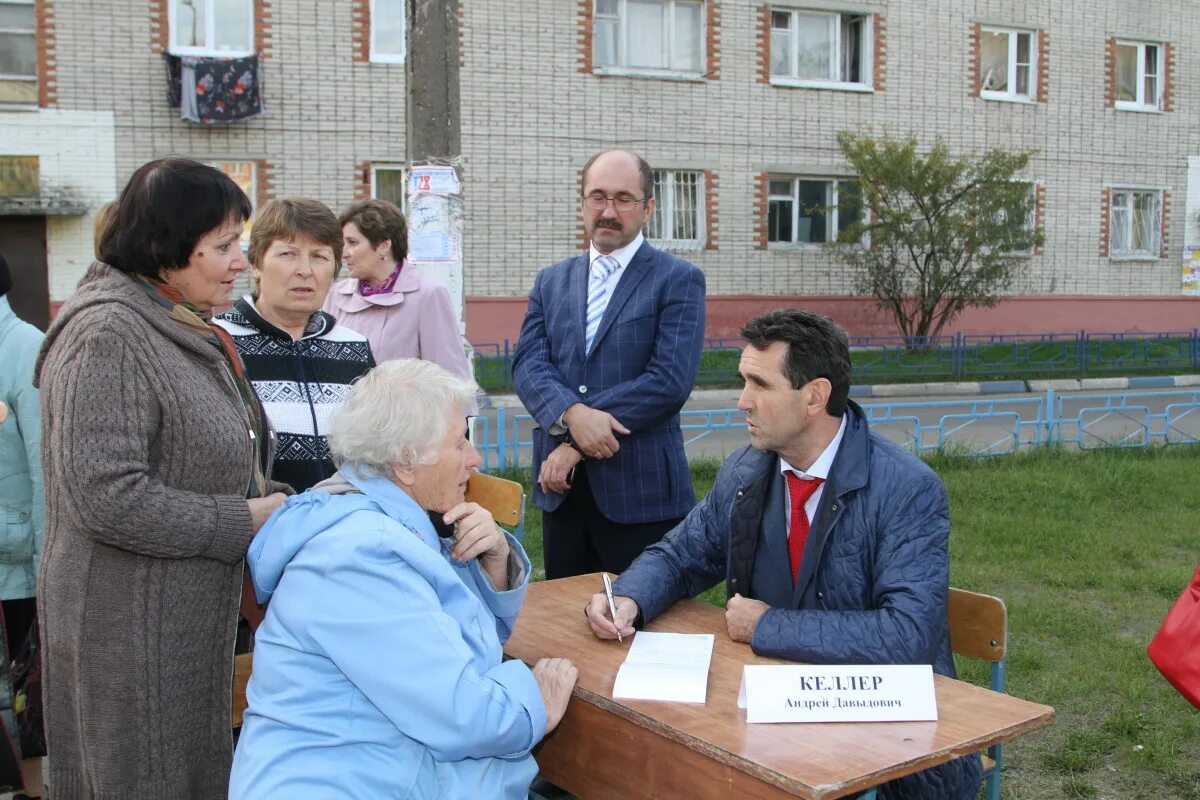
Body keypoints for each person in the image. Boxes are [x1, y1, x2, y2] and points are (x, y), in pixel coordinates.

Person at [586, 309, 983, 800]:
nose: (742, 402)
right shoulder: (748, 469)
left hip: (892, 751)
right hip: (770, 721)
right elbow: (682, 554)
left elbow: (909, 634)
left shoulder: (908, 490)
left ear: (815, 396)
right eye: (743, 382)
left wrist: (766, 625)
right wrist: (630, 596)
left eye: (760, 385)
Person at [34, 158, 291, 799]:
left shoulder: (167, 321)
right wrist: (242, 520)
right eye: (225, 246)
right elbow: (105, 495)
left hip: (173, 625)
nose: (242, 262)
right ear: (164, 248)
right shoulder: (107, 333)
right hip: (126, 633)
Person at [229, 359, 577, 799]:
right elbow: (464, 715)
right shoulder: (359, 555)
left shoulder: (388, 520)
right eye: (459, 442)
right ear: (406, 463)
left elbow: (460, 644)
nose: (475, 458)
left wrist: (494, 562)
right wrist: (534, 698)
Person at [512, 149, 706, 579]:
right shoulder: (551, 280)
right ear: (582, 202)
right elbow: (528, 363)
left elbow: (668, 381)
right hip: (562, 493)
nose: (609, 210)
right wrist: (572, 414)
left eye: (623, 199)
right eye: (597, 197)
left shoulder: (677, 279)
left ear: (648, 208)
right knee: (567, 624)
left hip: (640, 493)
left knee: (648, 628)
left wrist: (573, 445)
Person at [216, 198, 376, 493]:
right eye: (288, 254)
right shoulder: (217, 343)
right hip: (256, 530)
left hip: (342, 528)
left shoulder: (354, 348)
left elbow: (376, 449)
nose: (305, 270)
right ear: (256, 264)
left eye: (319, 256)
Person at [323, 199, 470, 379]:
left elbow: (451, 377)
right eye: (343, 243)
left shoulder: (427, 296)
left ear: (383, 245)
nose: (344, 253)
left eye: (352, 242)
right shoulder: (336, 295)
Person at [0, 254, 44, 793]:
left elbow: (45, 471)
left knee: (22, 703)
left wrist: (41, 562)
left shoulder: (23, 348)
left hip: (16, 568)